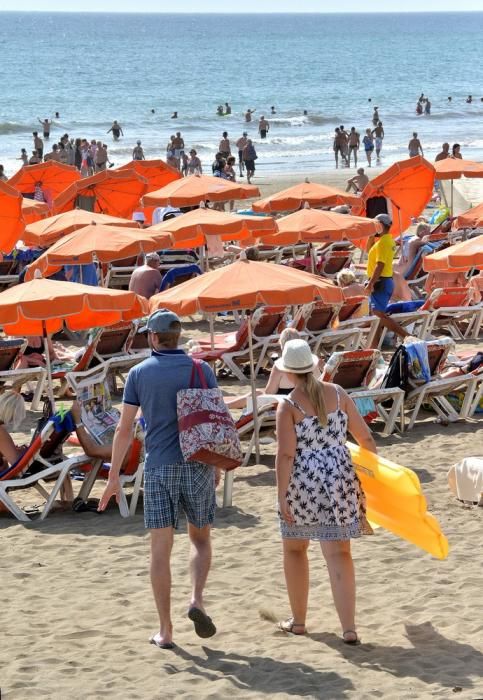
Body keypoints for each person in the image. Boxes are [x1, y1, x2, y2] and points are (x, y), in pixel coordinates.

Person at [99, 310, 220, 649]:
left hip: (159, 468)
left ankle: (166, 631)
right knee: (200, 540)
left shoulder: (139, 374)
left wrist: (112, 476)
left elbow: (124, 430)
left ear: (152, 337)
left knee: (160, 552)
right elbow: (216, 419)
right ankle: (196, 599)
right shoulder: (202, 369)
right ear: (178, 336)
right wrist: (218, 466)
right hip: (198, 463)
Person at [274, 338, 376, 642]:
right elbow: (366, 439)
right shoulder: (339, 394)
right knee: (340, 553)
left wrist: (281, 495)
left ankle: (299, 621)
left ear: (289, 373)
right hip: (341, 477)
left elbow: (285, 455)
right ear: (314, 366)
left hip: (303, 481)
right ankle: (349, 628)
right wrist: (373, 479)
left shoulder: (288, 405)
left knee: (295, 549)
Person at [365, 213, 409, 347]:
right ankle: (374, 345)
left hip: (381, 281)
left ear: (381, 225)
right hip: (384, 280)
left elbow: (380, 265)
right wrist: (372, 235)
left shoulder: (384, 242)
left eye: (375, 225)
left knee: (378, 315)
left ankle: (407, 336)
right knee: (376, 317)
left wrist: (371, 283)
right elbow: (369, 251)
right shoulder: (386, 240)